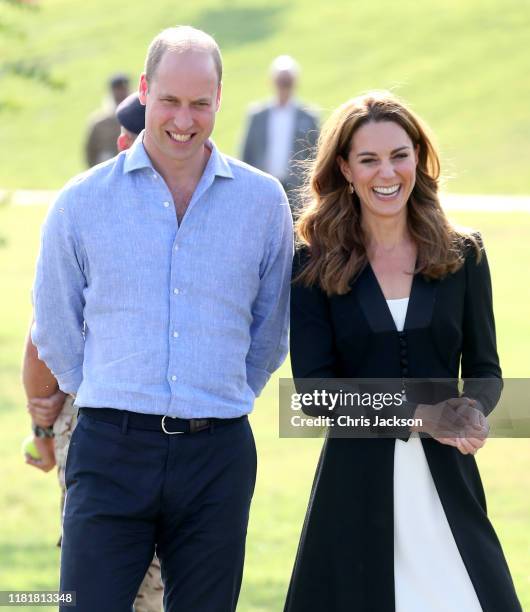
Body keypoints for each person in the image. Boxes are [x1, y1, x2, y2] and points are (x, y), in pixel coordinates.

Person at [32, 25, 292, 612]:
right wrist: (105, 395)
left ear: (220, 99)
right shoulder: (81, 202)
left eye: (201, 103)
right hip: (110, 451)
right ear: (145, 91)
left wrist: (219, 398)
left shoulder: (263, 202)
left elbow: (269, 333)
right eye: (170, 100)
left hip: (216, 456)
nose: (184, 118)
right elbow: (54, 326)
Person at [284, 91, 521, 612]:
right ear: (345, 168)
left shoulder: (464, 253)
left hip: (449, 490)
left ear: (418, 156)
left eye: (398, 154)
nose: (385, 172)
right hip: (353, 495)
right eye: (368, 159)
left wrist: (472, 410)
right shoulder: (312, 262)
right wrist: (420, 414)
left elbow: (485, 369)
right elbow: (315, 394)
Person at [23, 92, 163, 612]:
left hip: (94, 424)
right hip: (128, 428)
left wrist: (40, 424)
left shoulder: (91, 205)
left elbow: (42, 338)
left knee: (94, 575)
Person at [240, 55, 319, 209]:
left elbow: (316, 155)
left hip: (297, 192)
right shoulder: (257, 115)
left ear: (295, 83)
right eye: (280, 82)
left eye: (287, 82)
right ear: (272, 82)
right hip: (262, 187)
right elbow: (246, 154)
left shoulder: (308, 116)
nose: (283, 86)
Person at [84, 72, 130, 167]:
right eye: (118, 89)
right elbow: (90, 152)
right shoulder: (99, 123)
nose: (121, 93)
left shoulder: (138, 116)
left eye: (123, 89)